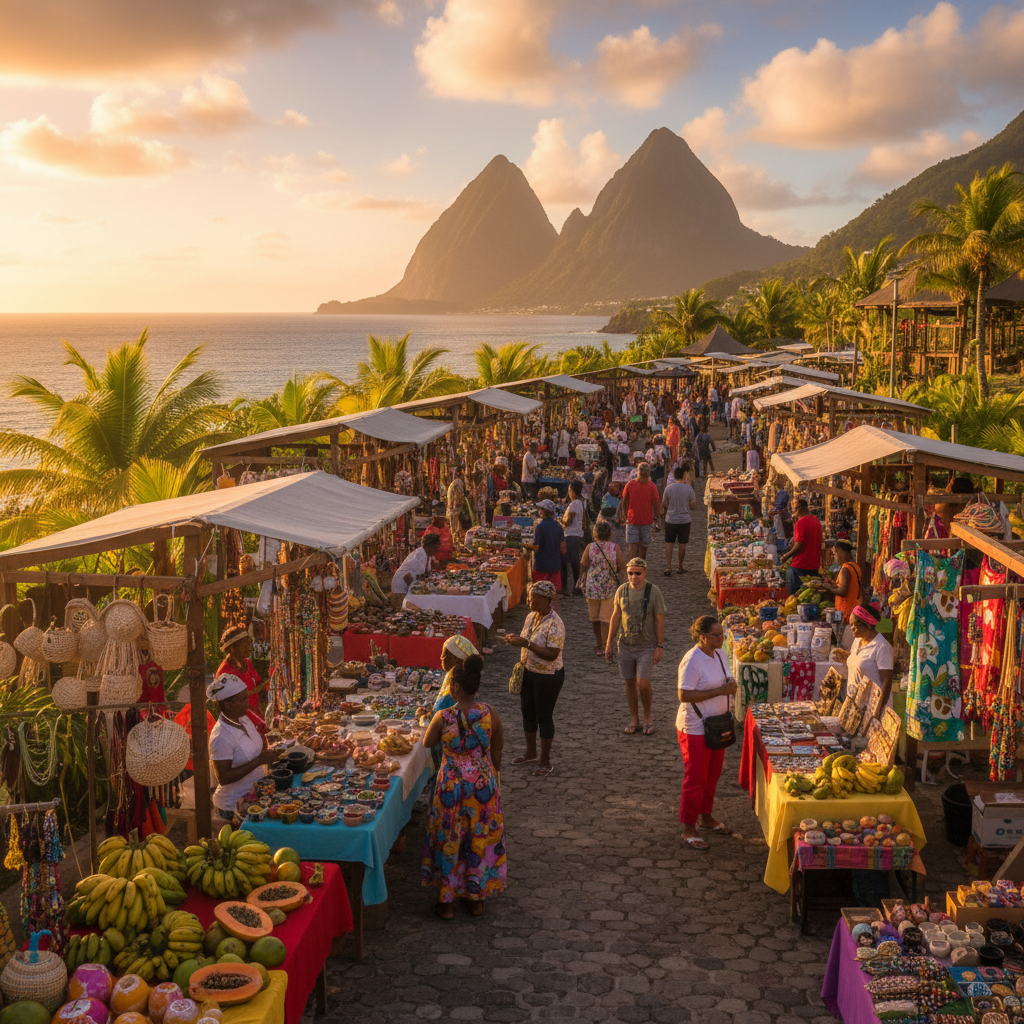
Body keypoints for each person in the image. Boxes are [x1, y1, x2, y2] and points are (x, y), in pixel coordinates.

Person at [420, 653, 506, 919]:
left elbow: (427, 743)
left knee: (449, 839)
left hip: (451, 790)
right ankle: (476, 898)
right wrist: (490, 774)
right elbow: (498, 749)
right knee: (477, 840)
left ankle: (446, 901)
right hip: (482, 787)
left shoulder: (443, 717)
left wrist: (426, 721)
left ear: (455, 687)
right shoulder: (490, 713)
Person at [676, 615, 737, 851]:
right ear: (703, 637)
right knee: (696, 778)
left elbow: (725, 679)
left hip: (717, 724)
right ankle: (688, 828)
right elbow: (684, 695)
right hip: (695, 728)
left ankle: (706, 816)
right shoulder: (692, 660)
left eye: (721, 633)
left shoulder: (720, 654)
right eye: (716, 635)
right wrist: (721, 690)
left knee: (712, 774)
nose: (721, 638)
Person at [502, 580, 565, 777]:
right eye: (529, 597)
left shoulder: (555, 624)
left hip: (548, 675)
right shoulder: (530, 617)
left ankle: (545, 761)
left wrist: (526, 644)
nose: (530, 601)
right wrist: (516, 641)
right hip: (529, 671)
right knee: (527, 713)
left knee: (543, 716)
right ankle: (530, 752)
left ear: (547, 600)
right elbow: (525, 639)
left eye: (534, 598)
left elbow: (552, 654)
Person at [208, 673, 281, 826]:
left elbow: (253, 750)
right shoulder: (221, 736)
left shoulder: (243, 719)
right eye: (241, 700)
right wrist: (260, 760)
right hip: (232, 807)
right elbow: (223, 777)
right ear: (227, 704)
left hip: (252, 796)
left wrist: (266, 747)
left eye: (245, 698)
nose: (246, 703)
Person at [606, 558, 665, 735]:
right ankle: (634, 718)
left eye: (637, 573)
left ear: (645, 573)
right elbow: (616, 615)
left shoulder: (653, 591)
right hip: (625, 644)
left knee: (643, 683)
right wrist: (609, 641)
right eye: (630, 573)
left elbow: (659, 618)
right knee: (629, 682)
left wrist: (660, 645)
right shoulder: (621, 590)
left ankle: (647, 716)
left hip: (646, 644)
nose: (634, 577)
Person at [580, 518, 627, 654]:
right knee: (606, 618)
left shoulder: (590, 547)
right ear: (610, 533)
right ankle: (607, 643)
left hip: (592, 587)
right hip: (609, 587)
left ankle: (600, 644)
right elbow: (623, 565)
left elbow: (583, 563)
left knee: (594, 618)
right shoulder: (614, 548)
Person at [847, 602, 894, 722]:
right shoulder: (857, 641)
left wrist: (876, 714)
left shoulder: (881, 647)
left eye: (855, 625)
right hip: (857, 706)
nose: (852, 628)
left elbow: (886, 683)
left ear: (867, 625)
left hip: (873, 707)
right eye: (850, 624)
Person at [217, 625, 264, 715]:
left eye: (248, 644)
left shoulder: (246, 662)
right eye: (244, 646)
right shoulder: (225, 671)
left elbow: (258, 682)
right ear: (232, 649)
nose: (248, 648)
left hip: (255, 713)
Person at [780, 497, 823, 594]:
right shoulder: (816, 521)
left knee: (795, 597)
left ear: (797, 509)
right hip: (814, 565)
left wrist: (787, 555)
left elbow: (800, 545)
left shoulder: (801, 523)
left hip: (801, 566)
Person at [618, 462, 661, 560]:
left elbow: (624, 501)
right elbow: (656, 503)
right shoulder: (651, 486)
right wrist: (657, 518)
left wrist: (624, 514)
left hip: (633, 520)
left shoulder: (630, 484)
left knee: (632, 548)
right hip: (645, 521)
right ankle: (640, 568)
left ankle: (634, 568)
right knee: (642, 548)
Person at [524, 498, 566, 595]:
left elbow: (536, 547)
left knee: (540, 594)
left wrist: (526, 546)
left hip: (541, 566)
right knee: (552, 594)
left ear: (542, 511)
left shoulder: (540, 527)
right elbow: (563, 550)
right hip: (555, 566)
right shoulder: (559, 526)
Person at [816, 539, 863, 623]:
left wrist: (828, 587)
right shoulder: (855, 566)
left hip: (846, 610)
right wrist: (834, 584)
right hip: (854, 607)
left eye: (835, 554)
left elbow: (843, 592)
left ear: (842, 553)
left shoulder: (846, 569)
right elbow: (849, 586)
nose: (835, 557)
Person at [662, 464, 697, 575]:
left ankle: (668, 567)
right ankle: (680, 567)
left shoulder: (669, 488)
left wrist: (671, 507)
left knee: (669, 542)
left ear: (674, 475)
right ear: (683, 476)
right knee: (682, 544)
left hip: (671, 519)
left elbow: (664, 502)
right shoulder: (688, 488)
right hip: (684, 520)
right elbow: (693, 505)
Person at [390, 532, 441, 608]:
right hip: (401, 590)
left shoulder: (427, 555)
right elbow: (409, 579)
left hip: (410, 585)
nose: (437, 550)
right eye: (435, 548)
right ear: (429, 546)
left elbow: (425, 575)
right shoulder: (418, 558)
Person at [561, 480, 586, 597]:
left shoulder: (575, 504)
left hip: (571, 535)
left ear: (572, 491)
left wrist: (560, 521)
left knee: (570, 561)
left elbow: (568, 521)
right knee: (573, 561)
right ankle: (575, 587)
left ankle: (574, 587)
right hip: (576, 534)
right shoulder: (581, 502)